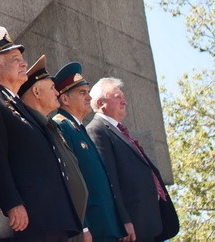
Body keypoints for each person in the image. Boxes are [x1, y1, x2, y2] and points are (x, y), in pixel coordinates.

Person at [0, 26, 80, 241]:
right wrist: (11, 203)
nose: (24, 63)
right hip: (23, 221)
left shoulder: (20, 106)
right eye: (15, 59)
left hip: (49, 219)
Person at [87, 78, 178, 242]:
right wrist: (123, 221)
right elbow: (109, 180)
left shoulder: (120, 131)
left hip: (150, 224)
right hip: (133, 227)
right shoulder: (97, 130)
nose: (125, 101)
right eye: (117, 96)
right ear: (100, 103)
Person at [51, 63, 127, 242]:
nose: (89, 97)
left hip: (106, 224)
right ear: (65, 99)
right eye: (82, 93)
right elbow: (68, 179)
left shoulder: (79, 128)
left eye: (88, 92)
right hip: (91, 226)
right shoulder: (61, 126)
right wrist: (82, 225)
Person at [18, 56, 88, 242]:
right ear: (36, 92)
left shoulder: (51, 127)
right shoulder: (28, 128)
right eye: (51, 88)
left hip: (69, 225)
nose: (57, 93)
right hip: (49, 227)